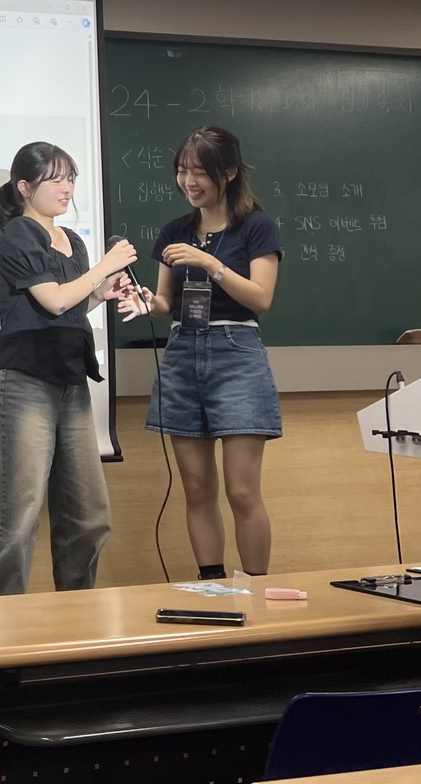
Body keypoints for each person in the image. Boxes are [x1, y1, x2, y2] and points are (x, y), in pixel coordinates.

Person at [119, 125, 282, 580]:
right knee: (196, 489)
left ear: (228, 172)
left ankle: (255, 590)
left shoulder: (256, 226)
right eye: (182, 171)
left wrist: (211, 264)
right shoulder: (175, 231)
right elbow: (165, 303)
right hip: (181, 353)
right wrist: (146, 302)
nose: (189, 182)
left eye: (200, 172)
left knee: (242, 491)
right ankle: (214, 586)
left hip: (236, 353)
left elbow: (261, 298)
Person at [0, 142, 133, 596]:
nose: (66, 187)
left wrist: (101, 293)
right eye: (55, 179)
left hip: (71, 380)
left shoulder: (75, 240)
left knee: (88, 514)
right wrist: (104, 268)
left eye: (70, 178)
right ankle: (4, 620)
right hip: (24, 382)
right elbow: (52, 300)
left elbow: (69, 307)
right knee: (20, 515)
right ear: (24, 187)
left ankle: (76, 616)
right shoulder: (18, 234)